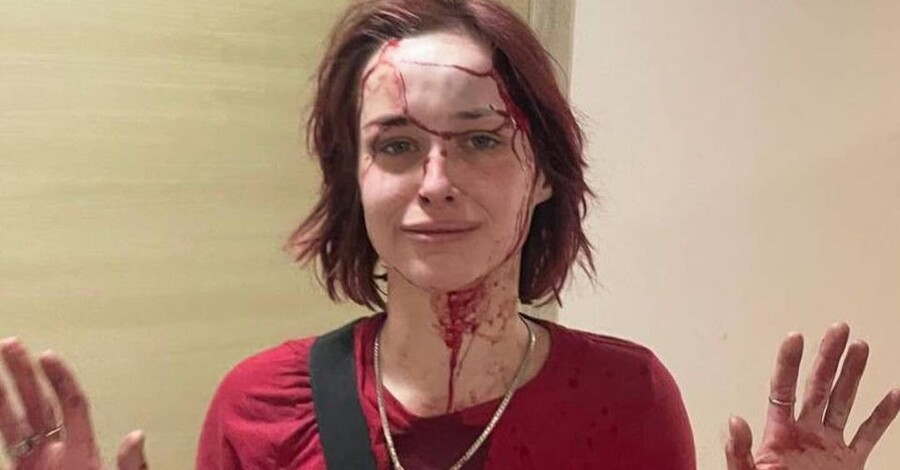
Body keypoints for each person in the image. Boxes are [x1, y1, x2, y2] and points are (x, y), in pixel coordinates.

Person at [1, 0, 898, 469]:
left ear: (543, 174)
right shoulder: (259, 408)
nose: (436, 182)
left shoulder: (628, 401)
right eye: (395, 145)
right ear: (354, 179)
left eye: (480, 139)